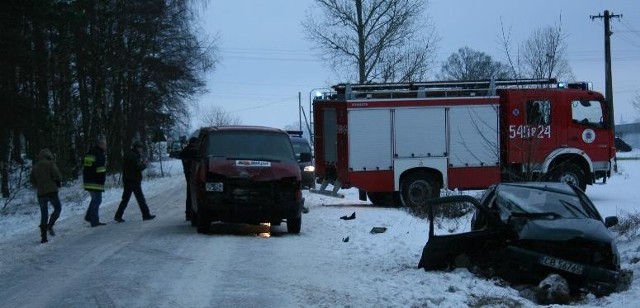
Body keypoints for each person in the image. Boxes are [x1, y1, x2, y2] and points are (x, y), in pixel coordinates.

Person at [114, 141, 155, 222]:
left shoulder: (128, 154)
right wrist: (144, 164)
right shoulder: (134, 156)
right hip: (134, 180)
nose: (141, 150)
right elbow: (138, 167)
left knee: (125, 198)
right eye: (141, 148)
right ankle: (146, 214)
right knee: (140, 198)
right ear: (137, 148)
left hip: (127, 179)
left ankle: (118, 215)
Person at [30, 148, 63, 243]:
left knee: (44, 214)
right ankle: (50, 225)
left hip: (41, 193)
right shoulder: (50, 164)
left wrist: (38, 185)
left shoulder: (34, 167)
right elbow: (58, 176)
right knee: (58, 208)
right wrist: (57, 181)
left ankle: (43, 237)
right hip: (52, 191)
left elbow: (32, 181)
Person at [83, 137, 108, 227]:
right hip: (95, 181)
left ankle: (89, 216)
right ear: (101, 144)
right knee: (97, 200)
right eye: (105, 144)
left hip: (88, 179)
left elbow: (86, 167)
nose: (105, 146)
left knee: (94, 199)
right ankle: (94, 220)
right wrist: (102, 180)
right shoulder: (99, 154)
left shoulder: (90, 153)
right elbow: (100, 170)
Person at [179, 137, 198, 221]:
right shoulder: (192, 151)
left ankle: (189, 213)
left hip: (188, 173)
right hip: (192, 174)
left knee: (190, 193)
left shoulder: (185, 150)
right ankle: (192, 213)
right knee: (193, 193)